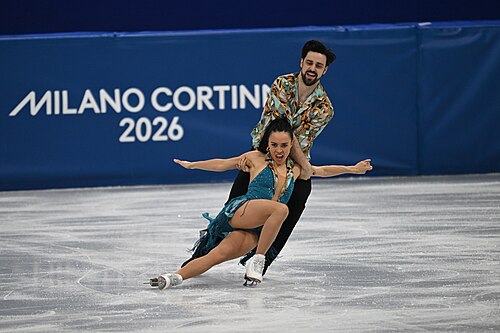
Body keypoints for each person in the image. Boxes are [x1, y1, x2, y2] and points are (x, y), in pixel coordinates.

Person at [150, 117, 372, 289]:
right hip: (242, 210)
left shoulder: (296, 168)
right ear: (268, 143)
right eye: (274, 144)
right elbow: (223, 164)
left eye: (284, 145)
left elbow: (322, 170)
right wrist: (193, 165)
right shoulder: (255, 158)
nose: (278, 150)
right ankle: (258, 259)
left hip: (257, 230)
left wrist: (353, 169)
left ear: (291, 146)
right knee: (281, 209)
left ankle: (173, 278)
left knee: (216, 256)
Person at [182, 39, 337, 274]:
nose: (312, 69)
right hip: (262, 161)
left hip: (292, 169)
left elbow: (299, 143)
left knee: (286, 220)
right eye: (309, 62)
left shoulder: (324, 108)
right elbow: (280, 130)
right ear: (301, 62)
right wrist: (305, 165)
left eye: (318, 65)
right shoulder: (282, 85)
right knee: (230, 212)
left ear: (324, 70)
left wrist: (303, 168)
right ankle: (198, 258)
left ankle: (259, 264)